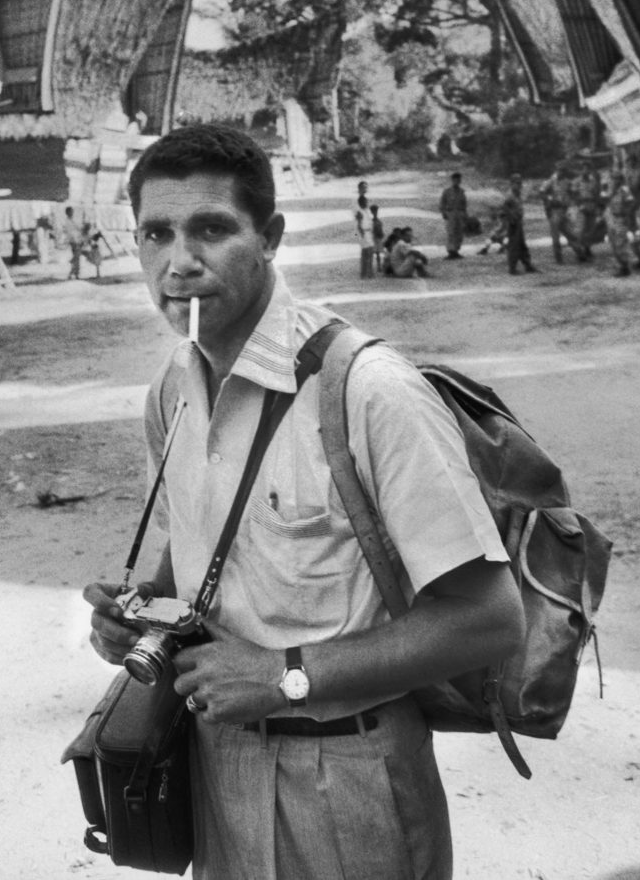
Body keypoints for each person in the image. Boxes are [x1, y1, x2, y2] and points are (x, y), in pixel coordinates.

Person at [82, 123, 524, 880]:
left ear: (271, 236)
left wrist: (285, 674)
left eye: (211, 230)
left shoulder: (367, 391)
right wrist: (143, 609)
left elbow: (488, 617)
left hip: (347, 777)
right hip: (213, 771)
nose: (178, 263)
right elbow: (203, 540)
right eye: (155, 233)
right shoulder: (172, 390)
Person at [539, 167, 583, 264]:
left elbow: (573, 192)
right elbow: (542, 192)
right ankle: (559, 258)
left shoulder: (566, 182)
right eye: (560, 171)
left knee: (570, 233)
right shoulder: (551, 181)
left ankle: (579, 253)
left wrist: (574, 199)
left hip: (564, 210)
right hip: (554, 210)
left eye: (563, 172)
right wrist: (549, 201)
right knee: (556, 237)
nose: (561, 173)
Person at [500, 174, 538, 275]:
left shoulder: (517, 194)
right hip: (513, 223)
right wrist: (511, 219)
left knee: (522, 245)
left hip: (518, 222)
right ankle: (512, 268)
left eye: (520, 183)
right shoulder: (510, 195)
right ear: (512, 184)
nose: (519, 185)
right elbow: (504, 208)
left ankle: (528, 265)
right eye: (517, 183)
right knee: (513, 246)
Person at [605, 170, 634, 277]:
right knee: (613, 242)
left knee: (620, 242)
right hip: (612, 216)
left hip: (621, 217)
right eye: (613, 178)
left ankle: (625, 266)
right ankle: (622, 265)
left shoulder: (624, 190)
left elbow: (630, 203)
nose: (614, 180)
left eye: (617, 178)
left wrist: (627, 215)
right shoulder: (611, 189)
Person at [438, 171, 467, 259]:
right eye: (455, 180)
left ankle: (456, 250)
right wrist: (443, 212)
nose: (457, 181)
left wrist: (465, 215)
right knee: (451, 232)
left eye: (459, 180)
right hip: (450, 213)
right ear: (452, 180)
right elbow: (442, 203)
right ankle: (451, 251)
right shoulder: (447, 191)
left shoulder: (462, 191)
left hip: (460, 213)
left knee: (459, 233)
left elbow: (464, 204)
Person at [354, 181, 374, 279]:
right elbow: (358, 223)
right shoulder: (359, 208)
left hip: (367, 231)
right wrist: (361, 234)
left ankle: (368, 272)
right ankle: (365, 273)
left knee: (369, 252)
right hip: (363, 232)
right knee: (366, 252)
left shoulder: (366, 209)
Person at [63, 206, 83, 280]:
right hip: (73, 241)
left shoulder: (74, 220)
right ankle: (74, 273)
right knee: (76, 257)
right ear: (67, 213)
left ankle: (73, 273)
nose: (72, 213)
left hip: (78, 240)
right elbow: (70, 233)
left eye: (72, 211)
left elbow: (78, 229)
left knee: (77, 258)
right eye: (70, 211)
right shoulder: (67, 222)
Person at [370, 203, 386, 272]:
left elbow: (381, 230)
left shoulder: (378, 221)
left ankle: (379, 266)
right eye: (374, 211)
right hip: (373, 238)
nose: (375, 212)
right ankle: (371, 266)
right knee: (372, 252)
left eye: (376, 211)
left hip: (377, 238)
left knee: (378, 253)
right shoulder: (372, 221)